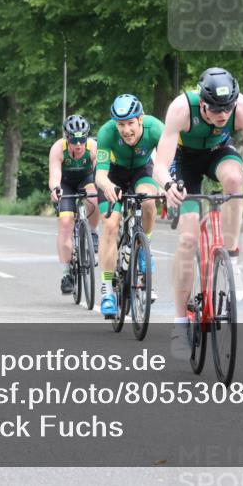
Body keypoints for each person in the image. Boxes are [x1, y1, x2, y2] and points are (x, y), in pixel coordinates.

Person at [152, 67, 243, 357]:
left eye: (227, 109)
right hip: (183, 163)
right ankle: (180, 323)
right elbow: (160, 164)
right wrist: (168, 184)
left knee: (235, 179)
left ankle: (231, 256)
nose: (223, 116)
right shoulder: (181, 109)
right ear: (202, 103)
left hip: (218, 152)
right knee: (187, 240)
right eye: (216, 110)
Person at [94, 94, 164, 318]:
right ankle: (107, 290)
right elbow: (100, 174)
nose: (126, 130)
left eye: (130, 123)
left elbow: (168, 163)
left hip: (143, 171)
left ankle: (145, 248)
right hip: (114, 175)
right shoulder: (106, 133)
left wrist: (166, 185)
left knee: (148, 200)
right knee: (111, 226)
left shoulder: (155, 128)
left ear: (140, 119)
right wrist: (108, 187)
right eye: (121, 125)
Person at [48, 114, 100, 295]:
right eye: (73, 140)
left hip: (86, 180)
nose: (78, 144)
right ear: (66, 138)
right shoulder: (57, 149)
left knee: (94, 197)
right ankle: (66, 274)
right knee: (65, 223)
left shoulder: (93, 148)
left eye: (82, 139)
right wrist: (56, 189)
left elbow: (100, 172)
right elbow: (54, 176)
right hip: (66, 184)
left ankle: (92, 233)